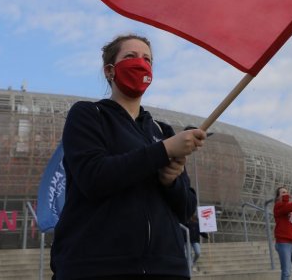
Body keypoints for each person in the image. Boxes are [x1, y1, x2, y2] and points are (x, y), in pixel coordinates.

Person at [51, 34, 206, 280]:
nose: (140, 63)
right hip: (97, 266)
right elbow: (93, 177)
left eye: (147, 59)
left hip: (166, 269)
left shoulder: (162, 131)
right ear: (109, 70)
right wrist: (163, 151)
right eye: (130, 57)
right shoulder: (88, 115)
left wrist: (171, 182)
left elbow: (186, 208)